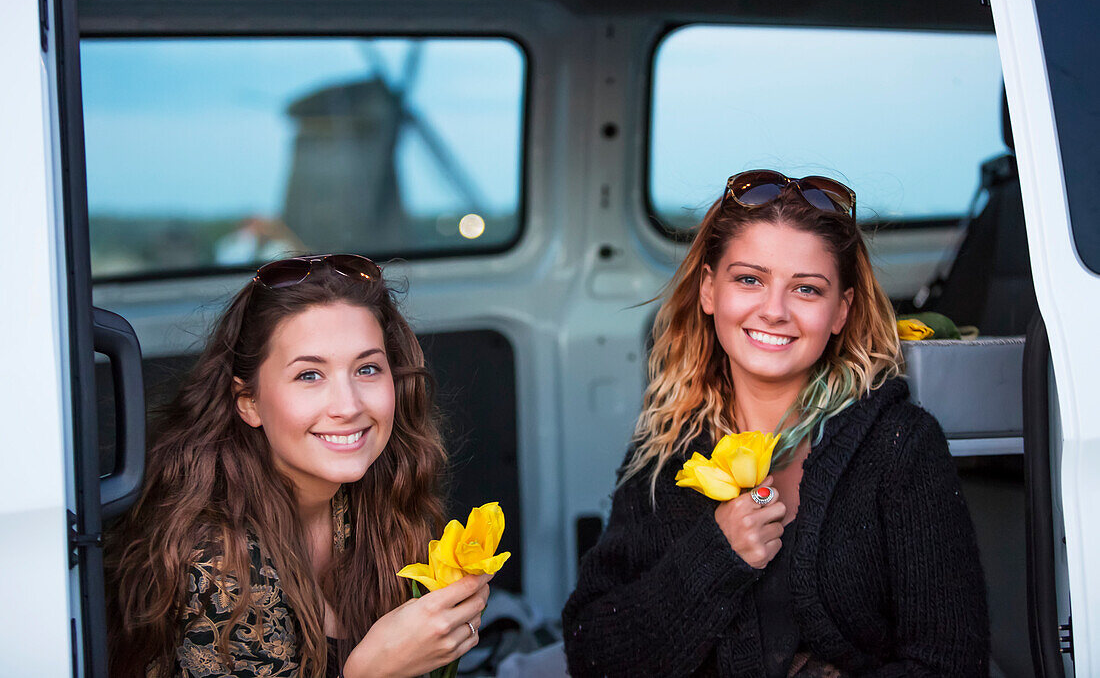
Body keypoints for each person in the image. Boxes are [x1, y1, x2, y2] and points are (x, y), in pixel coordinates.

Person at [562, 171, 990, 677]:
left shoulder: (899, 446)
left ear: (840, 311)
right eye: (749, 279)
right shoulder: (666, 449)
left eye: (807, 290)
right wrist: (716, 555)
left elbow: (952, 665)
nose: (774, 310)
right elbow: (593, 655)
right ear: (708, 290)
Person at [107, 254, 490, 678]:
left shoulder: (377, 503)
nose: (348, 406)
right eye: (310, 375)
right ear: (248, 402)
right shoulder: (214, 558)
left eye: (367, 369)